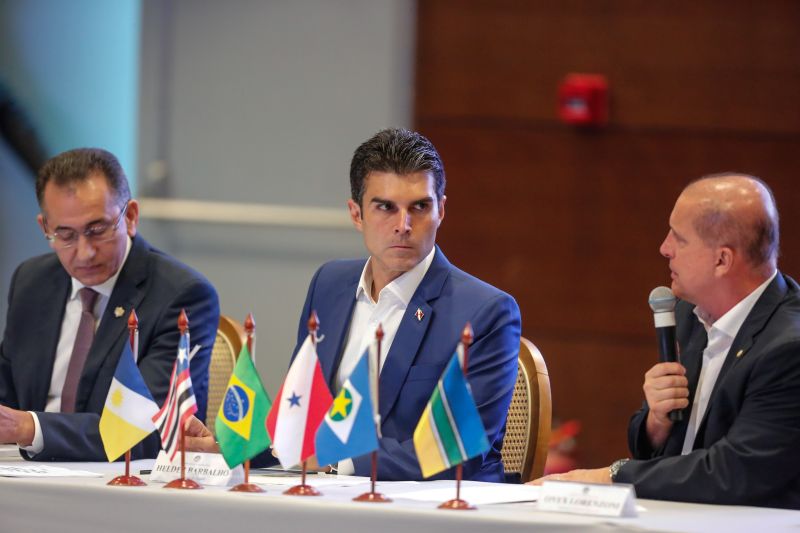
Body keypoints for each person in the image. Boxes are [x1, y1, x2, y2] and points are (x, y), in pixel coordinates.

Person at [187, 128, 521, 482]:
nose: (403, 226)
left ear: (441, 210)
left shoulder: (486, 312)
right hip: (328, 499)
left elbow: (458, 453)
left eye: (419, 207)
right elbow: (300, 418)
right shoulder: (329, 284)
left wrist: (336, 464)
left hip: (434, 508)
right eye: (385, 207)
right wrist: (231, 450)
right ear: (356, 214)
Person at [532, 173, 800, 509]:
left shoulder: (789, 348)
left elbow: (735, 472)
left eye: (679, 238)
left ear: (722, 260)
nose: (664, 248)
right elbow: (655, 449)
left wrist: (613, 476)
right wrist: (655, 423)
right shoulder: (690, 313)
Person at [0, 148, 219, 461]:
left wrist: (28, 427)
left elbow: (148, 429)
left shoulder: (182, 295)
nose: (85, 251)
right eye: (65, 234)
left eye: (97, 229)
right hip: (24, 475)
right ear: (45, 228)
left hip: (123, 485)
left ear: (130, 217)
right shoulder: (31, 282)